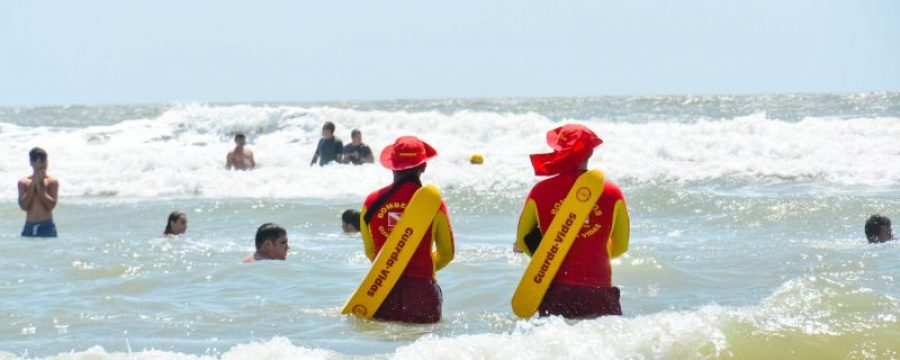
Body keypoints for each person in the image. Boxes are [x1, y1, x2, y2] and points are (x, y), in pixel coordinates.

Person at [515, 124, 630, 319]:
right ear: (591, 152)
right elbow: (621, 247)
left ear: (557, 151)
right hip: (599, 292)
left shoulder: (540, 191)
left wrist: (550, 255)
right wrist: (591, 249)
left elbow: (523, 240)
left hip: (556, 291)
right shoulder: (612, 192)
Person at [359, 136, 454, 323]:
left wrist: (392, 268)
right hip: (422, 295)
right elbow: (447, 253)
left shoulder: (371, 202)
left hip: (379, 292)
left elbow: (371, 252)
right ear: (424, 167)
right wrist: (421, 269)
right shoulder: (433, 203)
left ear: (392, 165)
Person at [17, 147, 59, 237]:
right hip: (29, 225)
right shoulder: (23, 182)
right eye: (39, 162)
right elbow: (24, 206)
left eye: (44, 162)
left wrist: (41, 190)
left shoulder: (52, 181)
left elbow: (51, 205)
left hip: (46, 226)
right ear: (32, 163)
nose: (43, 166)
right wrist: (32, 186)